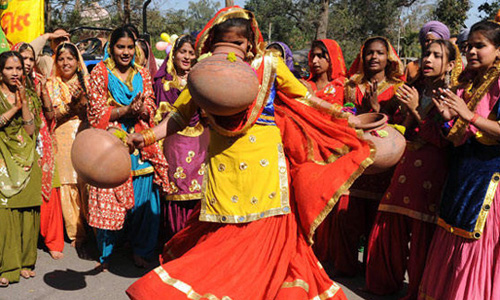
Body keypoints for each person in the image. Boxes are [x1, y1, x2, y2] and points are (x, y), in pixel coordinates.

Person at [126, 6, 373, 300]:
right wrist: (147, 136)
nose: (233, 49)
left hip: (264, 163)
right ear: (212, 43)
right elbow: (179, 116)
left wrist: (346, 118)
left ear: (250, 42)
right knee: (221, 234)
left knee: (268, 233)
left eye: (239, 43)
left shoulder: (269, 64)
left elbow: (303, 97)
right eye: (224, 42)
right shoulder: (206, 73)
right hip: (223, 164)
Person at [364, 39, 461, 299]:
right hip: (407, 163)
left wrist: (416, 110)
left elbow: (444, 139)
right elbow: (399, 124)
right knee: (389, 220)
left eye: (436, 56)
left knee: (421, 231)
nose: (428, 59)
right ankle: (382, 283)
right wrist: (386, 111)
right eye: (426, 54)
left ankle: (418, 290)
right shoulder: (416, 88)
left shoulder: (453, 94)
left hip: (433, 169)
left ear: (450, 64)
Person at [419, 20, 500, 300]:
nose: (472, 52)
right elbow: (457, 136)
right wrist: (447, 120)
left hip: (489, 179)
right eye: (468, 47)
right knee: (451, 235)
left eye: (481, 46)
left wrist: (469, 116)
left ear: (498, 50)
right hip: (461, 174)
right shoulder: (468, 82)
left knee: (474, 245)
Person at [86, 26, 169, 270]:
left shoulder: (142, 73)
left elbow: (152, 105)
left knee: (144, 199)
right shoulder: (100, 72)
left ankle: (141, 248)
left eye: (130, 47)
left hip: (141, 141)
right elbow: (95, 112)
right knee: (110, 194)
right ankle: (108, 250)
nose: (125, 52)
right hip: (110, 141)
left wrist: (142, 110)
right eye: (120, 47)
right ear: (111, 48)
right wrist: (125, 111)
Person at [330, 36, 405, 277]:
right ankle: (347, 269)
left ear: (389, 58)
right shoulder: (351, 86)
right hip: (354, 160)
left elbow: (402, 125)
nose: (374, 57)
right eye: (369, 53)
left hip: (384, 163)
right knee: (347, 216)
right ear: (362, 57)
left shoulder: (397, 88)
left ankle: (374, 274)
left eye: (379, 53)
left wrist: (377, 110)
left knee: (377, 221)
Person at [153, 34, 206, 241]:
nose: (186, 57)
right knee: (177, 193)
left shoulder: (203, 78)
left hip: (202, 141)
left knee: (200, 195)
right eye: (182, 52)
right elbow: (163, 116)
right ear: (173, 55)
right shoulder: (164, 83)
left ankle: (196, 243)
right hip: (175, 142)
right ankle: (175, 241)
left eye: (191, 53)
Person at [12, 42, 63, 259]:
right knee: (21, 189)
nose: (27, 63)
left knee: (50, 186)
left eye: (31, 59)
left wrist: (43, 93)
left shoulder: (40, 81)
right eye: (23, 58)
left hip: (42, 138)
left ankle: (53, 240)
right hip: (16, 141)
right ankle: (24, 243)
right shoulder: (7, 84)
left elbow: (51, 116)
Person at [0, 51, 42, 287]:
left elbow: (30, 131)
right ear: (0, 72)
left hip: (26, 155)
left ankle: (26, 261)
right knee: (4, 213)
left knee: (27, 211)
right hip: (3, 157)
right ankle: (8, 265)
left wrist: (24, 103)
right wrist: (14, 108)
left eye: (18, 68)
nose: (15, 73)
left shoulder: (29, 95)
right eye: (9, 68)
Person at [46, 42, 89, 254]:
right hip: (61, 137)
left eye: (70, 58)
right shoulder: (52, 84)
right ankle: (75, 233)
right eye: (61, 59)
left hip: (84, 136)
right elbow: (51, 114)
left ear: (77, 61)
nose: (65, 63)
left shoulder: (86, 82)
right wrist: (72, 108)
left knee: (86, 182)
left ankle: (92, 229)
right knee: (68, 183)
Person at [302, 39, 346, 105]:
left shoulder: (342, 87)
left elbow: (344, 113)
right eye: (313, 56)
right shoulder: (306, 84)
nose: (314, 61)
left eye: (319, 56)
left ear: (331, 57)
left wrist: (312, 97)